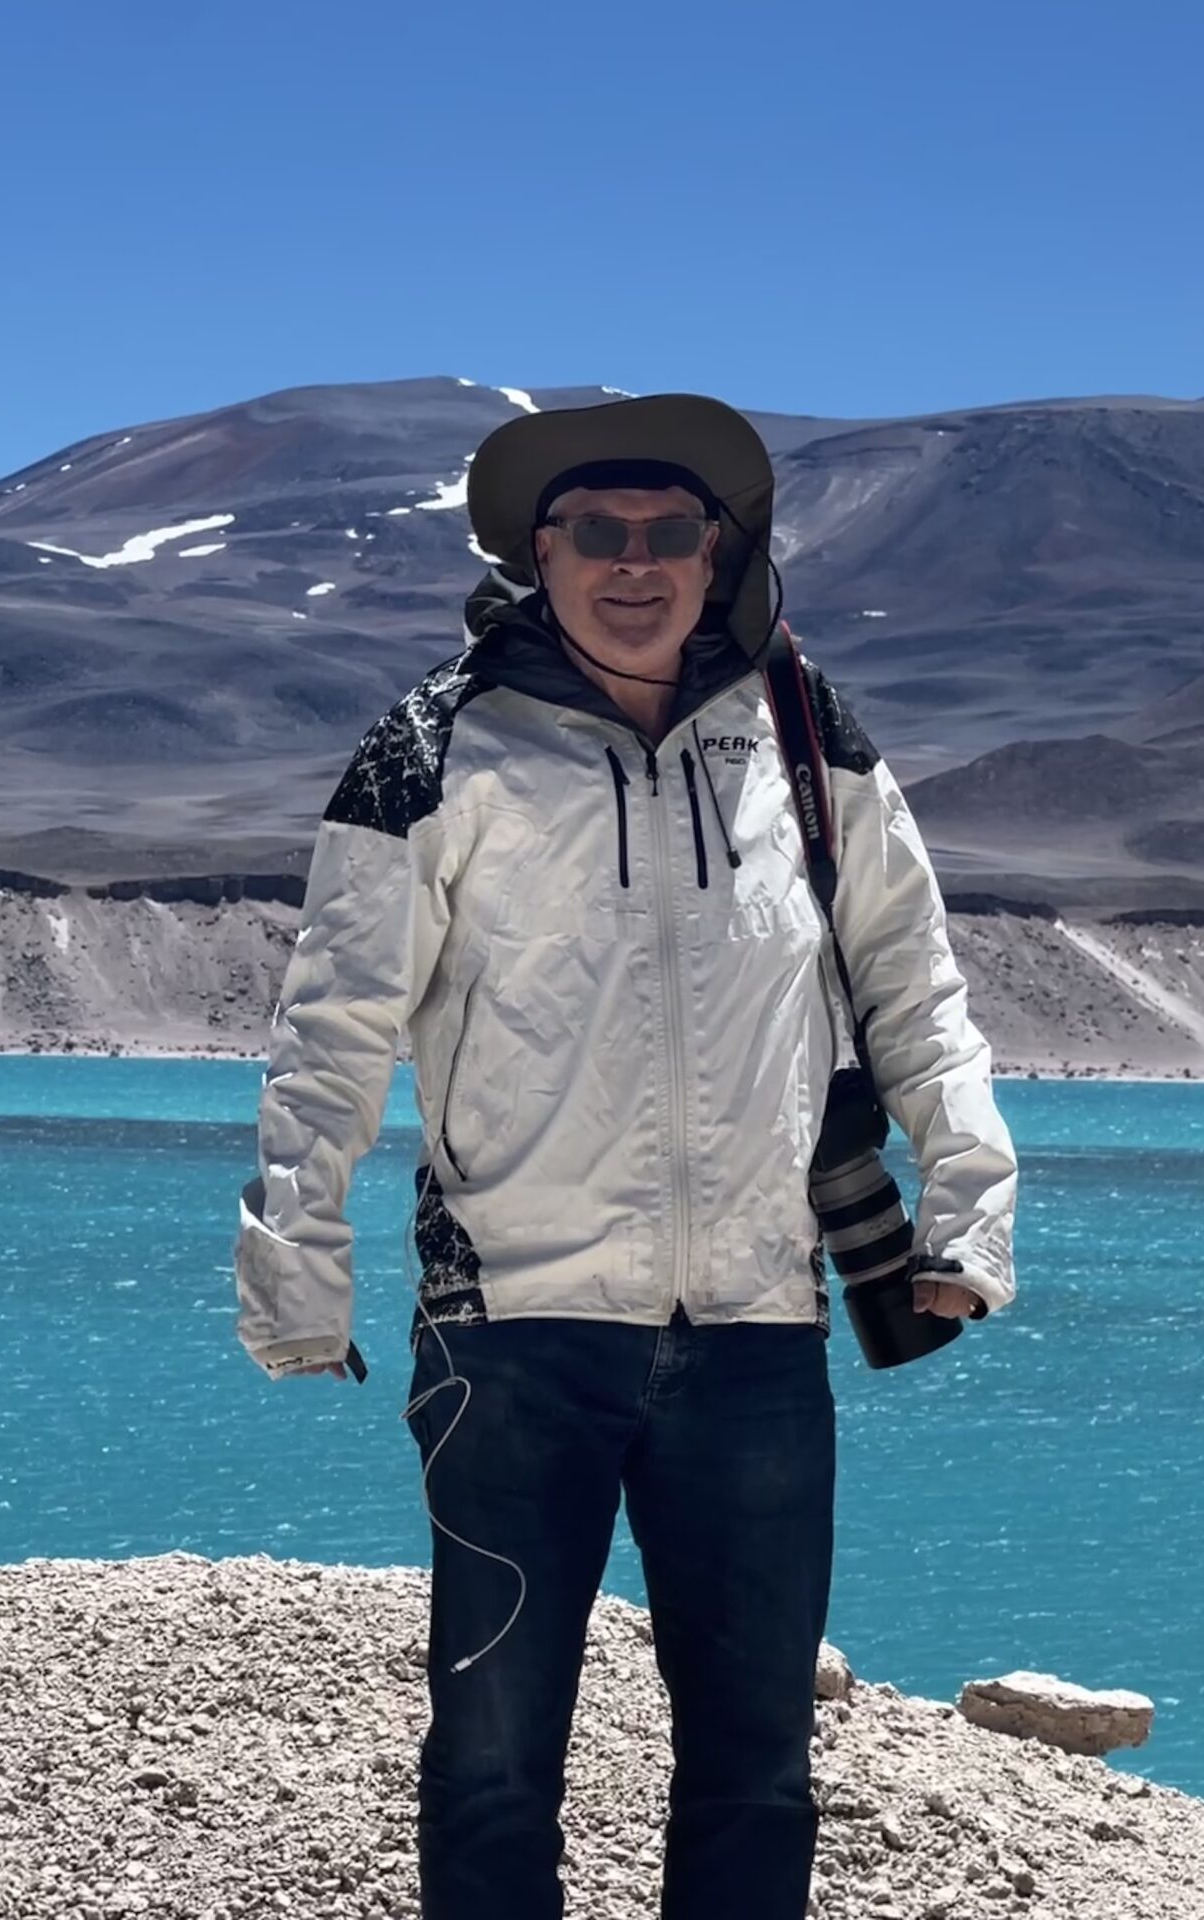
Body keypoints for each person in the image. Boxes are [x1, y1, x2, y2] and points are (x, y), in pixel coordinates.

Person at [232, 392, 1019, 1920]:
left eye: (672, 534)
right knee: (492, 1762)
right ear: (545, 549)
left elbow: (919, 993)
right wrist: (294, 1268)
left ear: (716, 552)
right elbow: (333, 1024)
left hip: (757, 1336)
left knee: (758, 1765)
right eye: (602, 532)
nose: (638, 564)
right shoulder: (434, 748)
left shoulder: (809, 736)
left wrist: (972, 1209)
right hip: (510, 1336)